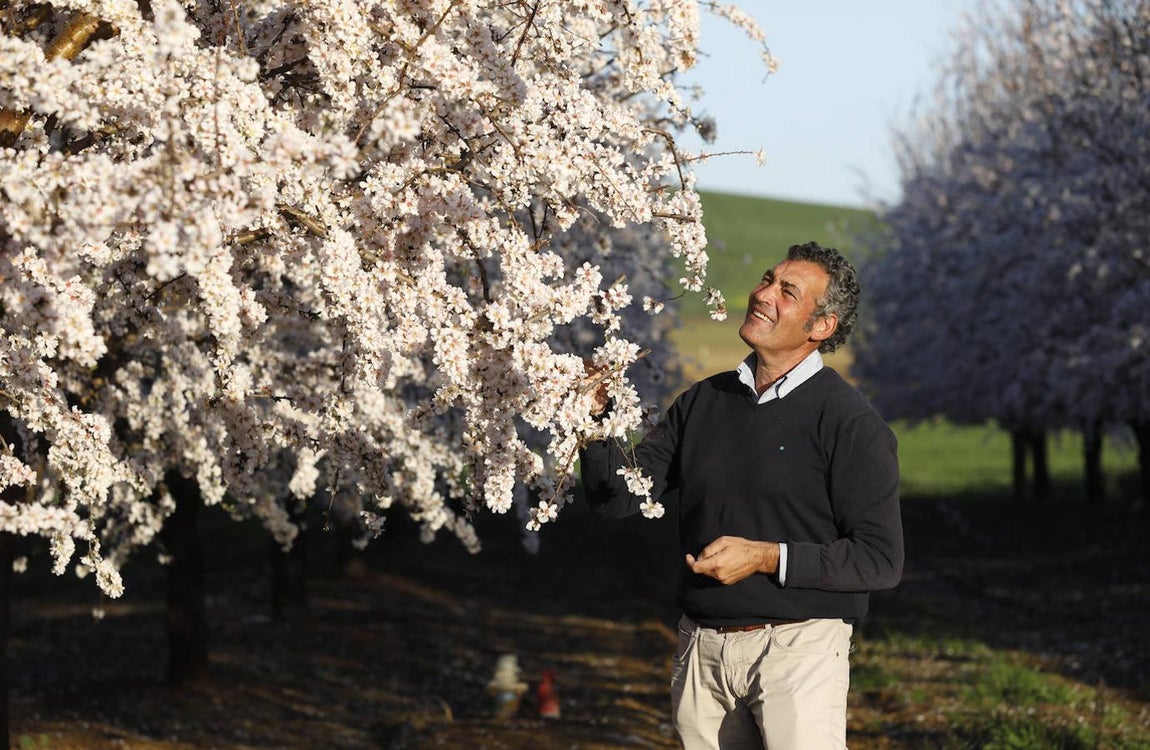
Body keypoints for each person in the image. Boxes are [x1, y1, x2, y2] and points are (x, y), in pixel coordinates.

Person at [579, 241, 904, 750]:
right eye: (767, 278)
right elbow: (616, 498)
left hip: (798, 649)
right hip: (701, 647)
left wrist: (765, 558)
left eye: (787, 291)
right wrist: (595, 422)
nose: (763, 293)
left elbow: (879, 560)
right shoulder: (704, 402)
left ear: (821, 327)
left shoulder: (850, 424)